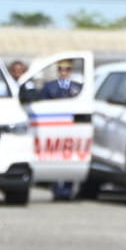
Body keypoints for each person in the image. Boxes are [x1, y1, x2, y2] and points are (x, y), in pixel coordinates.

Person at [41, 59, 86, 199]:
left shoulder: (77, 87)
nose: (63, 72)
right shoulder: (50, 87)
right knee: (54, 156)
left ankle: (68, 188)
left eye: (66, 70)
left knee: (70, 156)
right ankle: (56, 188)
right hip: (54, 126)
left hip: (71, 128)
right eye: (61, 69)